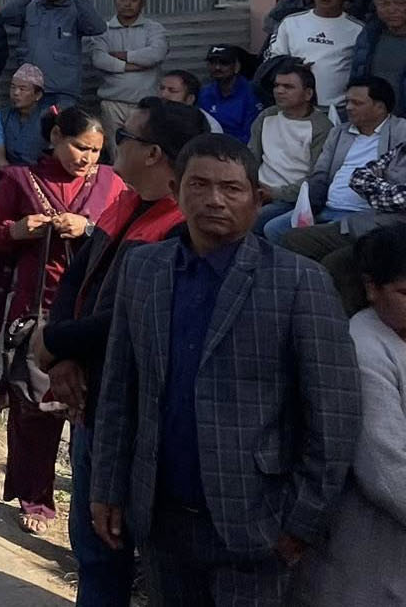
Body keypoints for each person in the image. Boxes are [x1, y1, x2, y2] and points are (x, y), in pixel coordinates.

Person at [88, 134, 361, 606]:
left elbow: (333, 414)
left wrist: (302, 520)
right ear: (175, 190)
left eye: (231, 189)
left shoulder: (299, 282)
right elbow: (119, 389)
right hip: (161, 516)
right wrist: (107, 486)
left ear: (257, 199)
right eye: (199, 184)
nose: (214, 199)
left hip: (256, 521)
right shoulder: (144, 269)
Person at [41, 99, 203, 605]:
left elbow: (131, 319)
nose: (115, 143)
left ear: (153, 153)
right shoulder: (127, 200)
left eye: (125, 135)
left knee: (124, 546)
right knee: (91, 544)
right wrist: (63, 354)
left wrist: (54, 342)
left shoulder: (184, 227)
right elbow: (76, 278)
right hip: (88, 390)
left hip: (129, 406)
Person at [0, 105, 122, 535]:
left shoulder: (112, 184)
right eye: (79, 147)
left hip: (94, 315)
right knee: (34, 410)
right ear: (55, 138)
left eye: (95, 151)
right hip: (37, 313)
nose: (87, 159)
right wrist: (16, 231)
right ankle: (36, 499)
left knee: (88, 412)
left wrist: (88, 228)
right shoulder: (20, 180)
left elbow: (123, 241)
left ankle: (89, 507)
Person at [292, 227, 406, 606]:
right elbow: (386, 469)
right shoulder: (363, 347)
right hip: (372, 555)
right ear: (372, 288)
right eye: (405, 293)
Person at [262, 76, 405, 248]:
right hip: (326, 207)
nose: (349, 108)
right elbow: (320, 175)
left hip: (364, 214)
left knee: (299, 239)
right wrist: (309, 208)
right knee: (274, 229)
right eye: (347, 102)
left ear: (380, 107)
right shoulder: (339, 132)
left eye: (357, 103)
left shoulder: (400, 132)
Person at [0, 0, 104, 108]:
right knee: (30, 123)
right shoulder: (29, 7)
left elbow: (97, 28)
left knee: (61, 123)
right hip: (30, 88)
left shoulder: (76, 9)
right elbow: (3, 17)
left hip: (62, 91)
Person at [265, 0, 362, 109]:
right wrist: (293, 67)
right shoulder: (290, 23)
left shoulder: (358, 29)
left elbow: (362, 71)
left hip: (339, 110)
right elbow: (273, 62)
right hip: (296, 108)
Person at [248, 63, 330, 231]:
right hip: (256, 191)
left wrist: (275, 194)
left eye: (288, 87)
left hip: (291, 199)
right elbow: (250, 157)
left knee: (250, 220)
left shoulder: (322, 127)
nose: (279, 91)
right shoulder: (266, 116)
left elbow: (316, 178)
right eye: (277, 85)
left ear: (308, 94)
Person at [88, 0, 168, 139]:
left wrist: (123, 55)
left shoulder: (154, 28)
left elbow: (156, 53)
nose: (127, 4)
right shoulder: (103, 29)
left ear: (143, 2)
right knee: (115, 150)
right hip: (112, 103)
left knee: (144, 148)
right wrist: (132, 65)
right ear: (115, 0)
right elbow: (99, 59)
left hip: (146, 105)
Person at [351, 0, 406, 114]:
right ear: (375, 6)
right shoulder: (369, 36)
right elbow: (357, 75)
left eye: (400, 3)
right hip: (373, 116)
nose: (392, 10)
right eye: (384, 4)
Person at [0, 63, 56, 171]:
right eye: (13, 87)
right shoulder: (1, 116)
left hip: (41, 173)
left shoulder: (49, 117)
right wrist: (15, 175)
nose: (16, 93)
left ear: (38, 95)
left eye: (22, 89)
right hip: (11, 173)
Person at [197, 44, 260, 141]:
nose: (217, 67)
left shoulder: (252, 94)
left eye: (224, 63)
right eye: (212, 63)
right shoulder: (204, 93)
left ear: (237, 66)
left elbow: (252, 136)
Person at [157, 69, 225, 135]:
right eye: (162, 88)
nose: (163, 95)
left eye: (172, 91)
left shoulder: (208, 126)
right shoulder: (154, 115)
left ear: (190, 99)